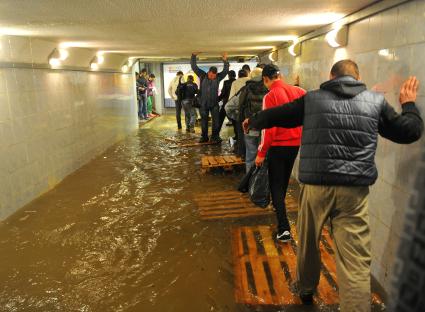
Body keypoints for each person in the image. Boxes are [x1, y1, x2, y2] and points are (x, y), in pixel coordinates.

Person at [243, 60, 423, 311]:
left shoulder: (312, 99)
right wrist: (409, 104)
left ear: (330, 76)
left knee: (308, 241)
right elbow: (410, 132)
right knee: (355, 260)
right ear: (358, 77)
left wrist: (253, 121)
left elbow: (280, 114)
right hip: (354, 191)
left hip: (315, 186)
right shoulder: (375, 102)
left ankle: (305, 289)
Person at [254, 64, 306, 242]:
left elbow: (269, 127)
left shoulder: (270, 96)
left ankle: (284, 228)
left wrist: (261, 151)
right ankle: (279, 206)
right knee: (283, 180)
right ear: (280, 76)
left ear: (266, 79)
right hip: (295, 144)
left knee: (275, 184)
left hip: (277, 145)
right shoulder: (299, 91)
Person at [191, 52, 229, 143]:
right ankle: (204, 137)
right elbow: (194, 67)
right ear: (208, 72)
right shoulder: (202, 75)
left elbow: (225, 70)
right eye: (211, 75)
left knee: (216, 122)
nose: (212, 77)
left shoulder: (218, 77)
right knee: (204, 122)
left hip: (214, 104)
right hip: (203, 104)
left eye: (214, 76)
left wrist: (225, 61)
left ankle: (215, 137)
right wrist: (193, 56)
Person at [238, 67, 268, 171]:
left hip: (251, 126)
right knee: (264, 155)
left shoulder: (247, 88)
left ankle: (250, 181)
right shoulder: (268, 88)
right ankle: (261, 181)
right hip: (265, 127)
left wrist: (241, 121)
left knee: (251, 155)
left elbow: (239, 105)